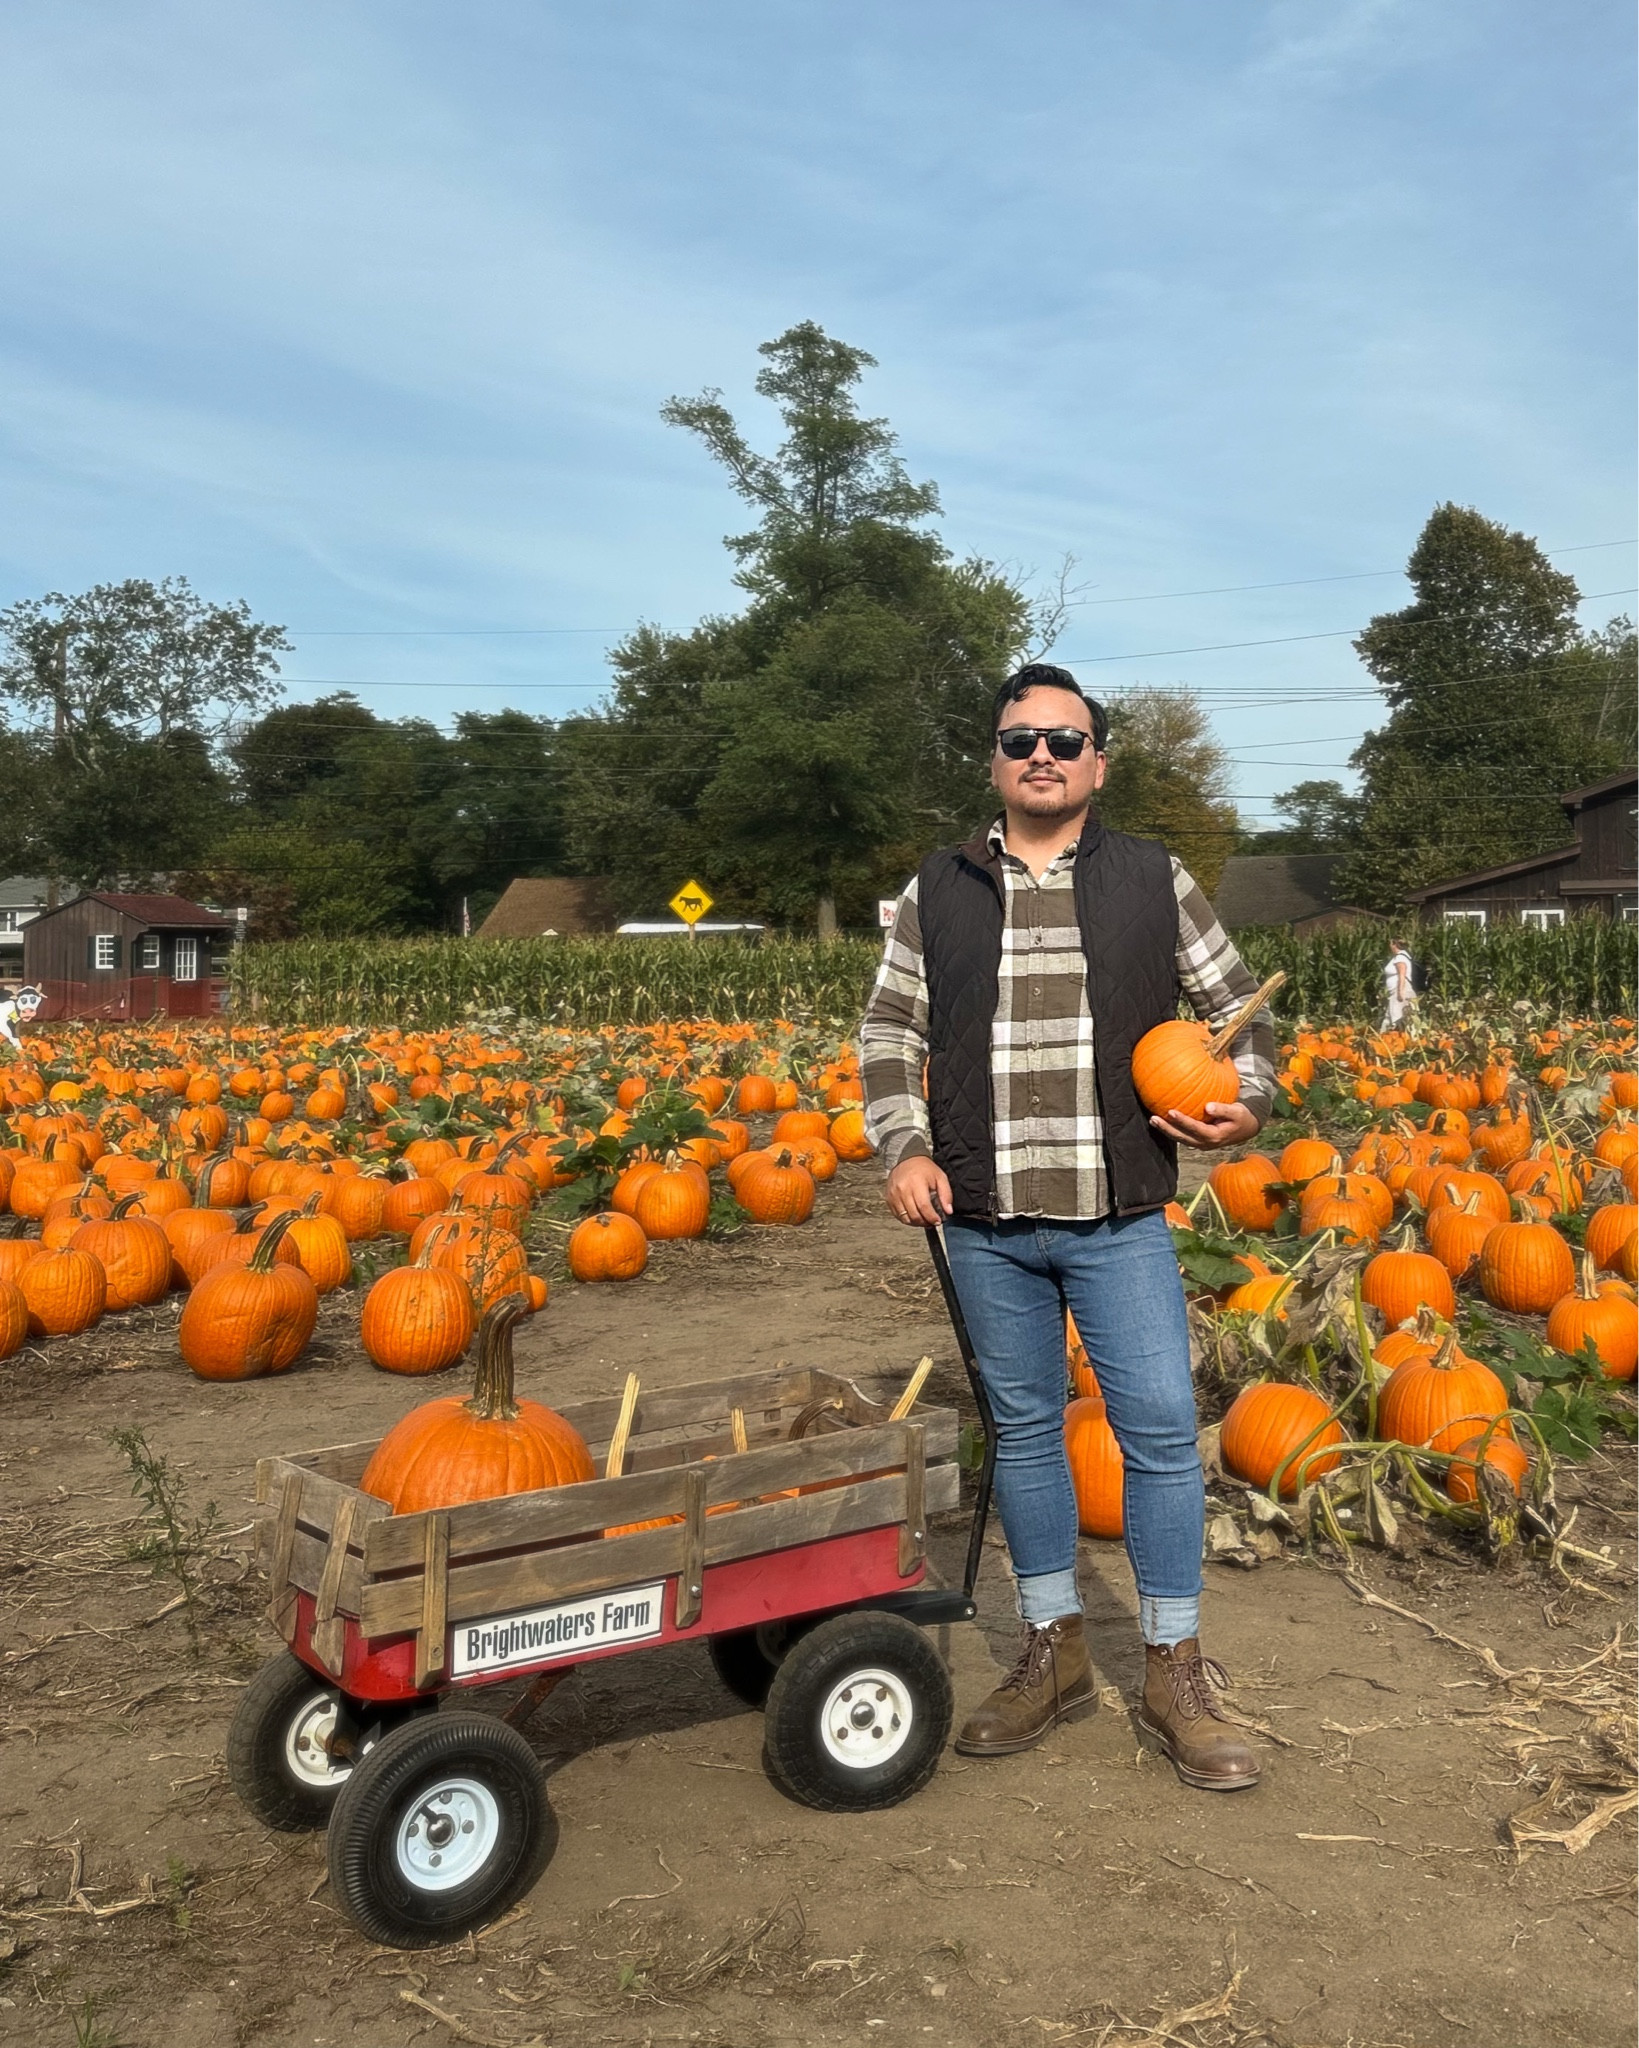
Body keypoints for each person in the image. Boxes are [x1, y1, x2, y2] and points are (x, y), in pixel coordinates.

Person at [860, 663, 1276, 1793]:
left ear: (1097, 758)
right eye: (1018, 740)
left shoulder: (1153, 877)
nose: (1039, 755)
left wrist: (1247, 1101)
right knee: (1028, 1432)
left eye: (1062, 738)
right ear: (993, 760)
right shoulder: (935, 886)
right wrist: (901, 1145)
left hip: (1116, 1214)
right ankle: (1049, 1648)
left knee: (1153, 1429)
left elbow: (1242, 1010)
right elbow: (888, 1027)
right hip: (984, 1218)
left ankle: (1174, 1664)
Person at [1381, 938, 1415, 1031]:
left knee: (1394, 1016)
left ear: (1394, 945)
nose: (1389, 947)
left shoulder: (1400, 957)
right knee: (1393, 1015)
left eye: (1390, 944)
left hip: (1400, 989)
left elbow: (1402, 974)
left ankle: (1385, 1038)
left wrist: (1400, 992)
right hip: (1398, 990)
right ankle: (1385, 1037)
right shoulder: (1402, 956)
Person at [0, 985, 41, 1054]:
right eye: (23, 1000)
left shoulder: (16, 1010)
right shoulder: (8, 1006)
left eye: (33, 1000)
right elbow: (2, 1024)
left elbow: (11, 1023)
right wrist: (15, 1041)